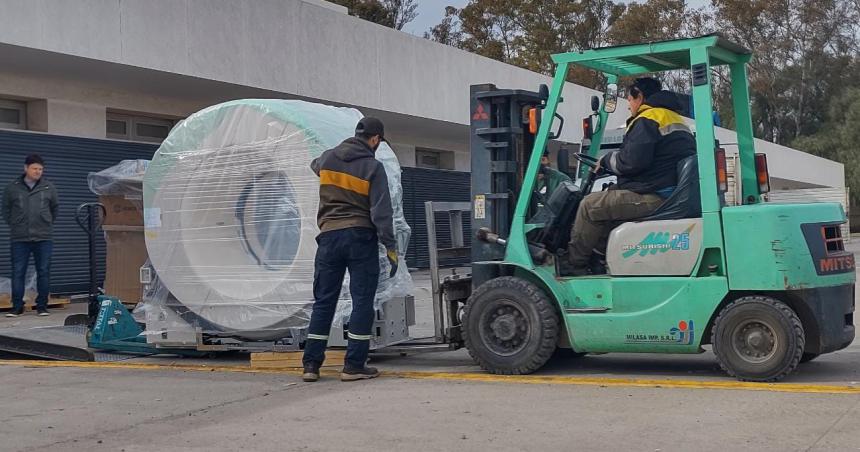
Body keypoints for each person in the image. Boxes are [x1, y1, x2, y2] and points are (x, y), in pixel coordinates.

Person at [302, 117, 398, 382]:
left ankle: (311, 365)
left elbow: (315, 165)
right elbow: (382, 212)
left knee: (324, 301)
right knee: (362, 301)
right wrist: (391, 247)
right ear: (375, 139)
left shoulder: (328, 159)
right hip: (359, 237)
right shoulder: (373, 167)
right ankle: (354, 365)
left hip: (329, 237)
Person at [567, 77, 696, 275]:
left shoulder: (647, 119)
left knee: (589, 206)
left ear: (640, 96)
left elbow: (632, 161)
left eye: (629, 100)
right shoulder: (674, 118)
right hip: (666, 190)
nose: (629, 106)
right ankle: (600, 259)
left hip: (655, 195)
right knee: (607, 201)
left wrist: (607, 160)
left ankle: (573, 266)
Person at [2, 154, 59, 317]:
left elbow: (55, 209)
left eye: (40, 169)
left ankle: (42, 306)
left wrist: (45, 223)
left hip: (44, 238)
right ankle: (17, 306)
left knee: (44, 271)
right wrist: (16, 224)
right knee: (18, 271)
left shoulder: (49, 187)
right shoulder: (12, 188)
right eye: (35, 168)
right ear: (25, 168)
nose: (38, 171)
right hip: (20, 238)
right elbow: (6, 210)